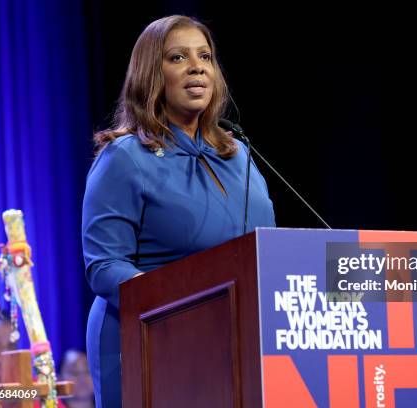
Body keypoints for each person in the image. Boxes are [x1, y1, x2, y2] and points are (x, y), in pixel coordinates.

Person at [81, 15, 275, 406]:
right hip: (148, 337)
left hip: (233, 335)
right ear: (152, 73)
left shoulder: (239, 156)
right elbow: (104, 265)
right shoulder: (125, 157)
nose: (197, 66)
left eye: (205, 56)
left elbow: (266, 251)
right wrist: (181, 310)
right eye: (178, 57)